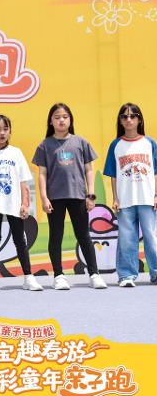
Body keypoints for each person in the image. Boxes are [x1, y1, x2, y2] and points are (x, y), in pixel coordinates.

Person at [32, 103, 107, 290]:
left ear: (70, 119)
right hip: (55, 198)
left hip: (78, 196)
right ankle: (59, 276)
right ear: (51, 121)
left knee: (83, 235)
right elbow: (42, 174)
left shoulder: (80, 142)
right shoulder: (45, 145)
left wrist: (91, 194)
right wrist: (44, 197)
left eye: (65, 117)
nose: (61, 120)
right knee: (56, 235)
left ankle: (94, 274)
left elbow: (89, 170)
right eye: (57, 117)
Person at [0, 114, 42, 293]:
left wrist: (25, 204)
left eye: (5, 129)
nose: (2, 133)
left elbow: (23, 181)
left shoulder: (16, 152)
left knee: (20, 240)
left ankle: (28, 277)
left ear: (10, 131)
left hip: (14, 204)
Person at [103, 102, 157, 287]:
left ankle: (155, 273)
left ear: (139, 119)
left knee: (152, 237)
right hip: (125, 200)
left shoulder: (149, 143)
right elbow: (113, 174)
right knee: (127, 239)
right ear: (120, 121)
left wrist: (156, 195)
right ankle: (126, 275)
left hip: (148, 199)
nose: (128, 119)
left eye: (133, 116)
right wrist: (115, 198)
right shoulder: (116, 145)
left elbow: (155, 172)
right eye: (124, 116)